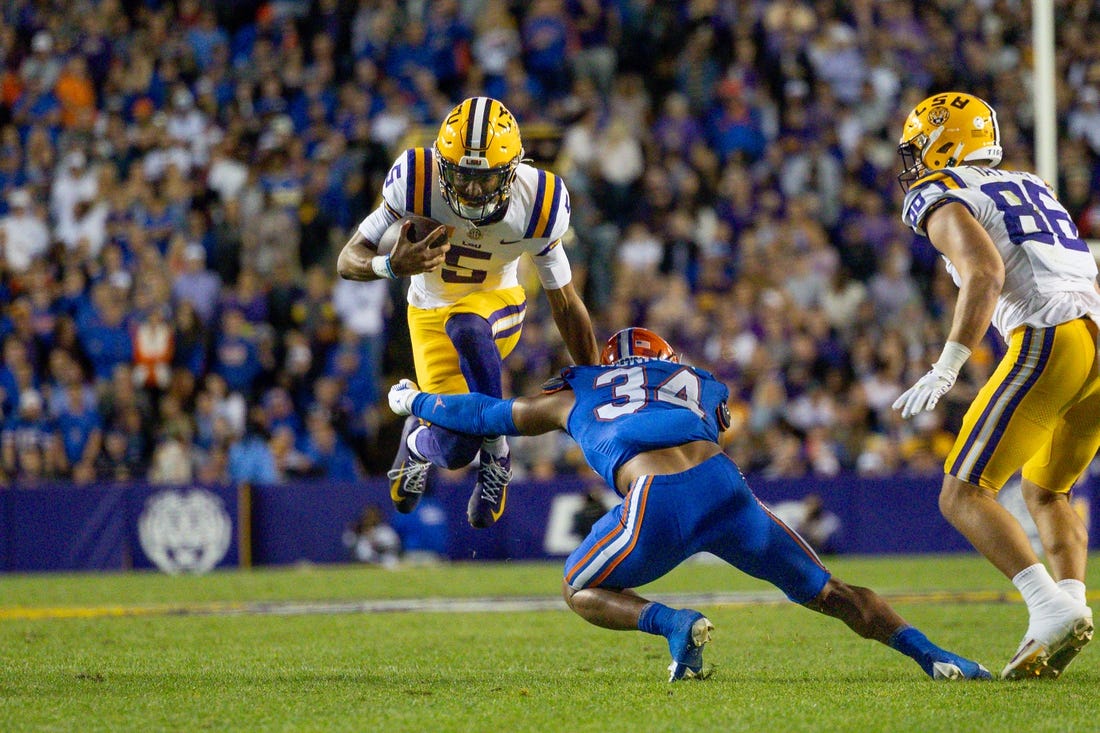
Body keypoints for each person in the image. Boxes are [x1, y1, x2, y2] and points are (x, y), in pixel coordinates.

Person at [388, 327, 991, 682]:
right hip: (724, 488)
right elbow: (712, 416)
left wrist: (415, 402)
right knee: (829, 592)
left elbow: (488, 415)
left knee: (577, 587)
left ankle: (675, 625)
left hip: (655, 498)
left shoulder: (580, 385)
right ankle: (934, 656)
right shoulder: (702, 382)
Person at [892, 92, 1100, 680]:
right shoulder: (1031, 182)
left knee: (962, 493)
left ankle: (1048, 608)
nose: (914, 161)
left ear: (945, 140)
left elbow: (985, 272)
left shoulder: (938, 192)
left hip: (1050, 337)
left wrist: (948, 364)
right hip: (1095, 342)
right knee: (1047, 493)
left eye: (920, 145)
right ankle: (1070, 609)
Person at [337, 96, 599, 529]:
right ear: (442, 165)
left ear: (513, 170)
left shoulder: (540, 200)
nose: (473, 190)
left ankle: (496, 450)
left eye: (485, 177)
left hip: (497, 304)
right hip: (426, 313)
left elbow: (566, 301)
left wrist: (592, 377)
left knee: (468, 325)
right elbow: (348, 258)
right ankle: (422, 443)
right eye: (462, 175)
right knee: (458, 448)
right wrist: (389, 266)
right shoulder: (415, 177)